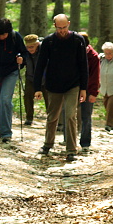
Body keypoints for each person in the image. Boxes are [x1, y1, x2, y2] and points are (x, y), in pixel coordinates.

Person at [34, 14, 88, 162]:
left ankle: (71, 150)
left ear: (69, 24)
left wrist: (84, 88)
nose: (62, 30)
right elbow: (40, 65)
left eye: (64, 27)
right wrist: (37, 87)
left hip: (73, 84)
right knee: (52, 117)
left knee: (71, 115)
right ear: (55, 26)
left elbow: (83, 65)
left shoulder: (78, 40)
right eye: (59, 28)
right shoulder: (49, 41)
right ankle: (47, 144)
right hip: (53, 84)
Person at [76, 32, 100, 153]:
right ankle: (68, 140)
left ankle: (85, 143)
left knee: (86, 117)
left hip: (89, 90)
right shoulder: (73, 53)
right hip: (73, 88)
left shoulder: (93, 56)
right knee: (68, 114)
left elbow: (95, 76)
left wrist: (93, 93)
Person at [22, 34, 48, 125]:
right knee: (27, 96)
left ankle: (52, 119)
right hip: (30, 78)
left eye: (32, 47)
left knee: (49, 99)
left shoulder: (44, 50)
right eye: (28, 47)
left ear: (37, 44)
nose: (30, 49)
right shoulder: (25, 52)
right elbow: (22, 65)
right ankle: (29, 118)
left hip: (45, 79)